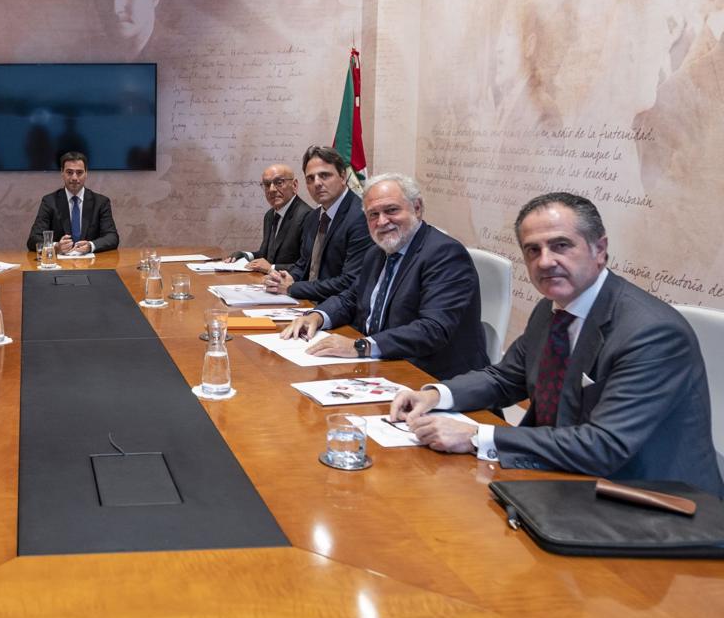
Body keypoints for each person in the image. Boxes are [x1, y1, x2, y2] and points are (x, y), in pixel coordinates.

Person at [390, 192, 724, 496]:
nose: (545, 261)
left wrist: (477, 436)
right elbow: (506, 377)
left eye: (561, 245)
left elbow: (603, 445)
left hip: (649, 502)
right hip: (561, 480)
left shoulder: (651, 333)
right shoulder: (552, 308)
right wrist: (435, 395)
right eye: (532, 250)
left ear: (600, 250)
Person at [281, 173, 487, 381]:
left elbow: (432, 329)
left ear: (417, 208)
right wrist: (316, 316)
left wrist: (360, 346)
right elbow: (351, 298)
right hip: (381, 367)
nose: (382, 221)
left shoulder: (445, 254)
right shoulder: (377, 252)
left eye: (391, 210)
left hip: (431, 378)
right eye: (373, 214)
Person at [264, 146, 372, 301]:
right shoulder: (313, 217)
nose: (317, 183)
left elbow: (349, 281)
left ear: (343, 176)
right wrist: (281, 279)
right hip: (306, 303)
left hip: (341, 312)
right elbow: (303, 264)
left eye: (324, 175)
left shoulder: (360, 217)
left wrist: (292, 287)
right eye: (310, 178)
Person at [224, 163, 312, 274]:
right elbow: (266, 255)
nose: (271, 189)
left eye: (279, 183)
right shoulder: (270, 215)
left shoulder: (307, 216)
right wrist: (245, 255)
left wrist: (272, 268)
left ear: (294, 185)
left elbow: (307, 266)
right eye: (266, 184)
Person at [26, 151, 119, 254]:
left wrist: (90, 246)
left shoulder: (101, 202)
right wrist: (56, 247)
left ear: (86, 173)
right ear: (62, 172)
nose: (74, 178)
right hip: (60, 266)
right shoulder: (49, 202)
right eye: (69, 172)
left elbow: (112, 237)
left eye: (79, 172)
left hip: (91, 265)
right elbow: (33, 239)